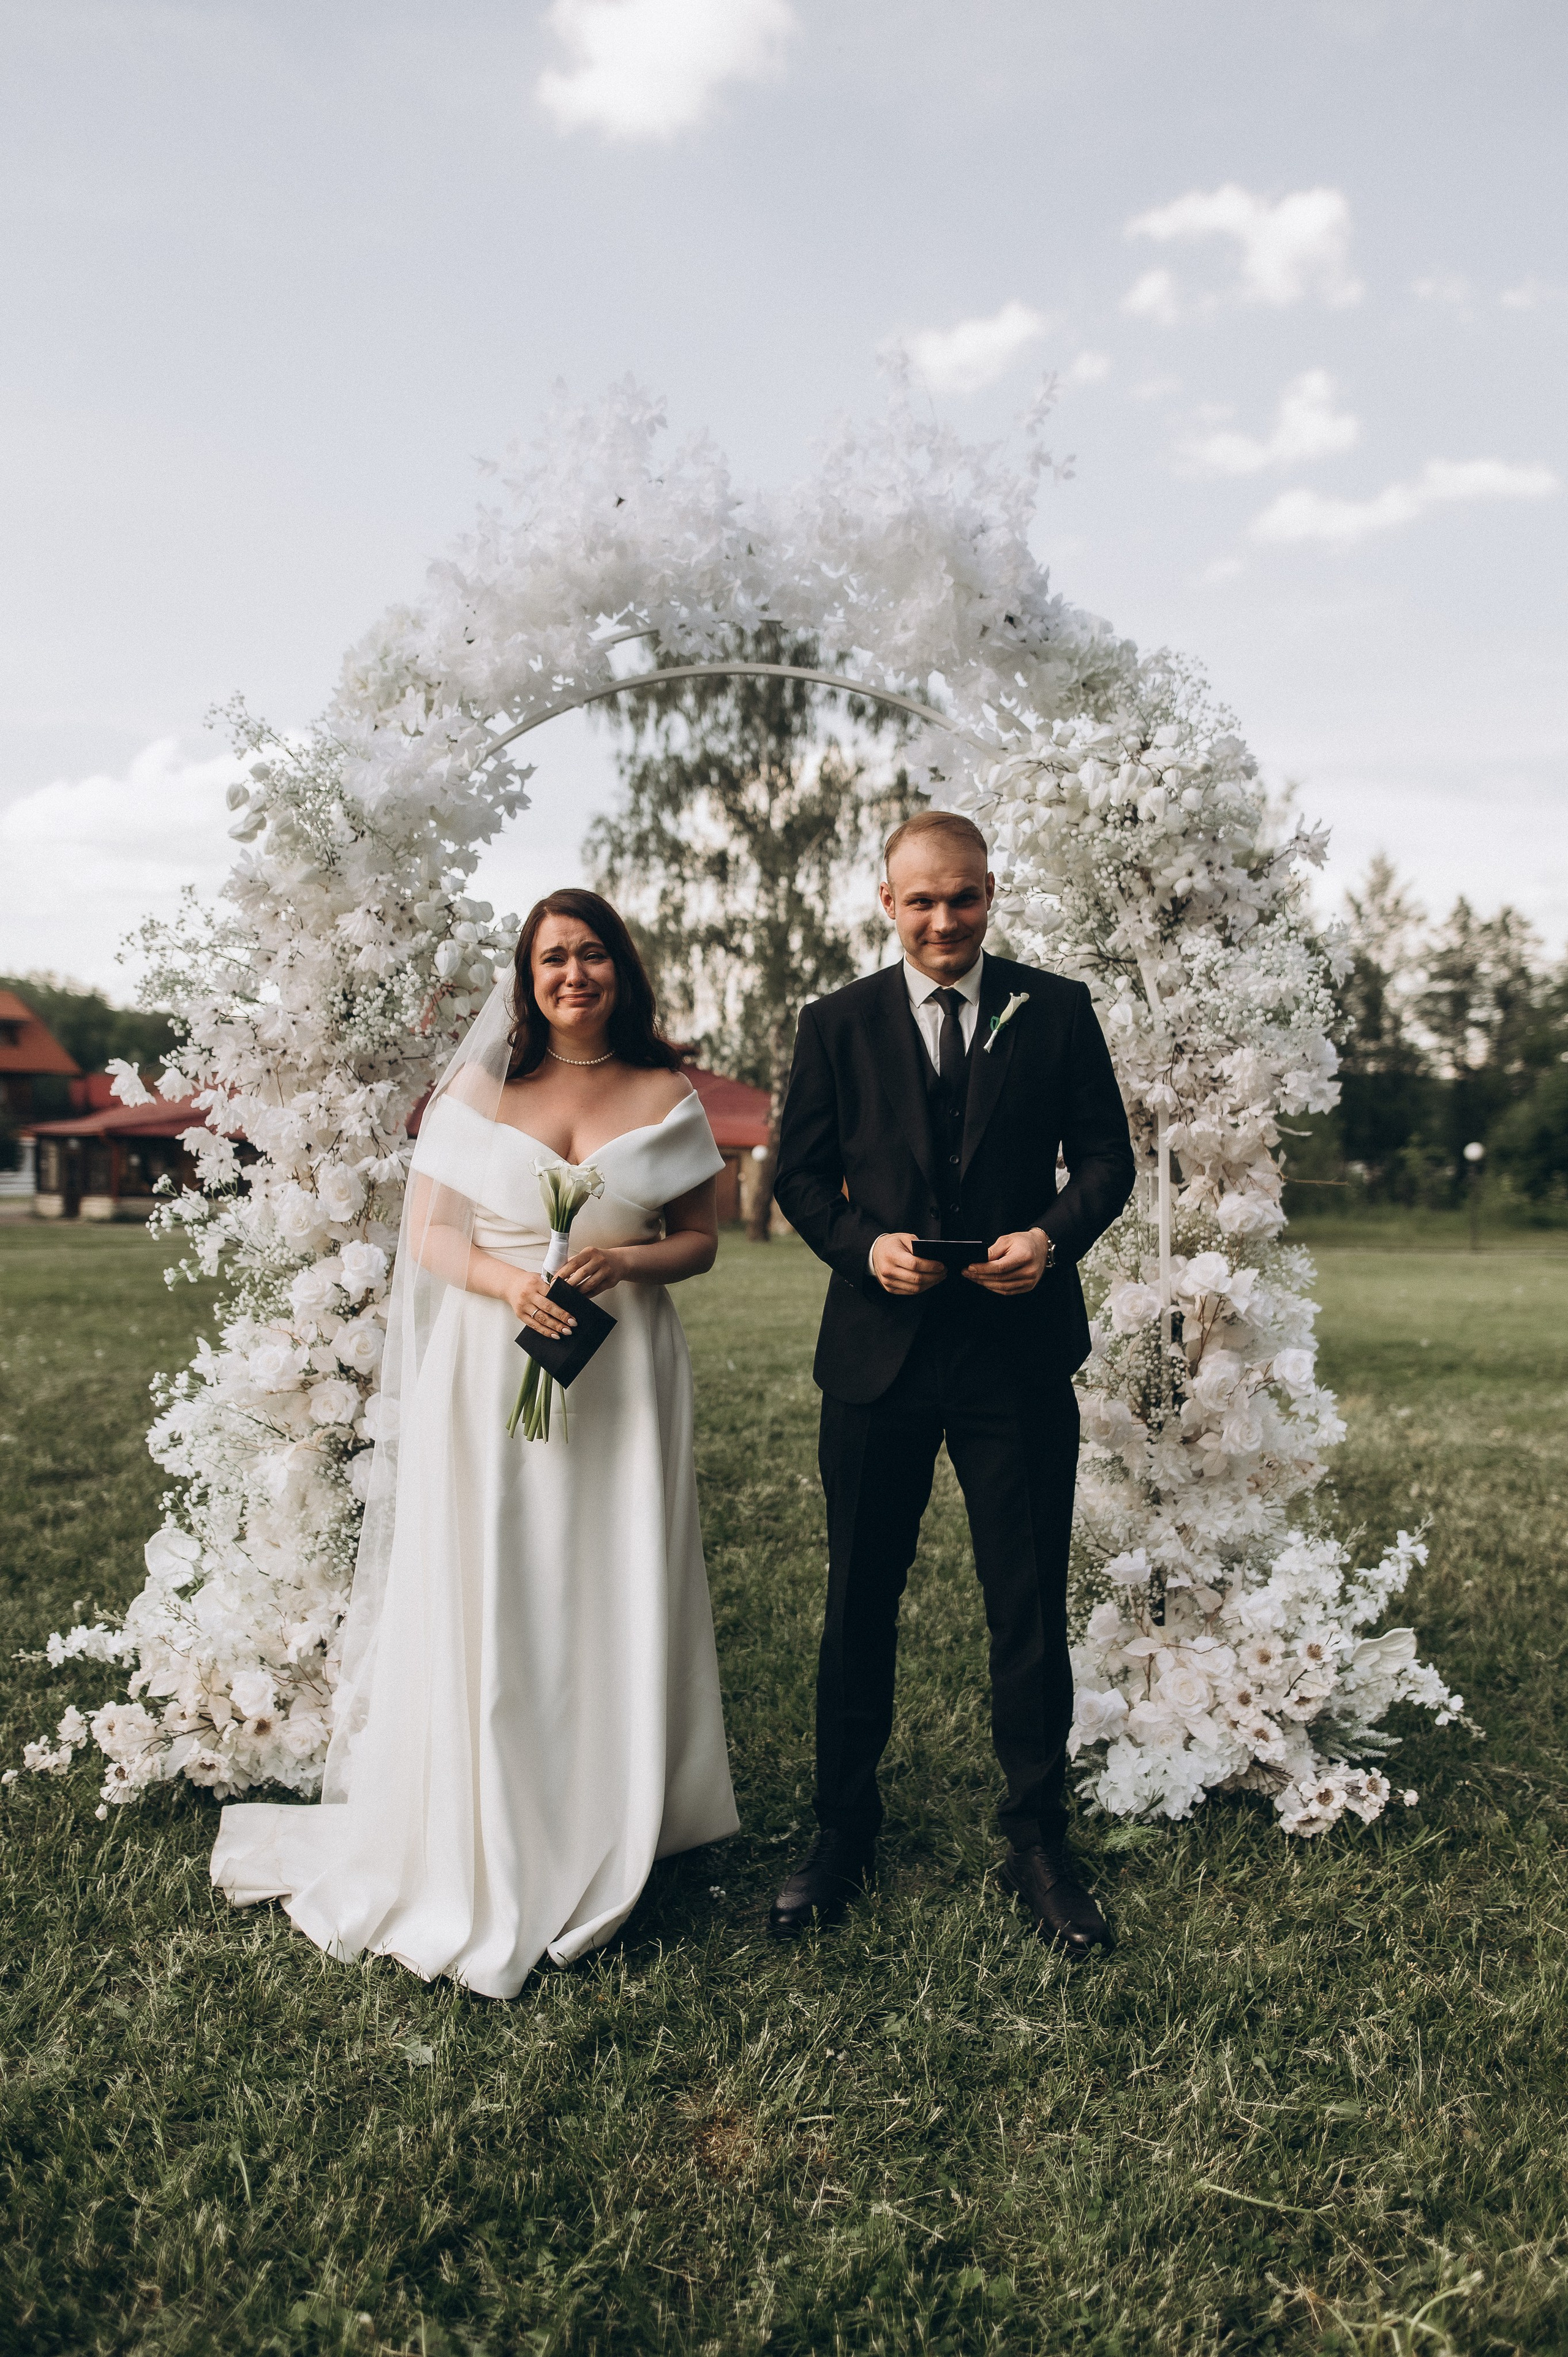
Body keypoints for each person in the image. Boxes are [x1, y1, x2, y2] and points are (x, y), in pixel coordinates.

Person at [211, 889, 739, 1997]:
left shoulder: (665, 1092)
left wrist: (624, 1265)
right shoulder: (482, 1091)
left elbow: (699, 1239)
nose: (574, 975)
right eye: (553, 958)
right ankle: (487, 1814)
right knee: (497, 1580)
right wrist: (515, 1286)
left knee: (604, 1577)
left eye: (593, 955)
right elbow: (434, 1235)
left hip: (623, 1370)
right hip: (490, 1364)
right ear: (527, 976)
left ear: (621, 971)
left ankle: (607, 1802)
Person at [769, 812, 1135, 1957]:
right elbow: (799, 1176)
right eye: (921, 901)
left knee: (1026, 1606)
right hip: (877, 1359)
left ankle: (1037, 1839)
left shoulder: (1059, 1008)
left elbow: (1109, 1161)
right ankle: (841, 1834)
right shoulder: (834, 1023)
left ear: (990, 894)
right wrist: (858, 1245)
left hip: (1016, 1358)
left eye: (963, 899)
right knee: (857, 1601)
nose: (943, 921)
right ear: (887, 902)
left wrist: (1052, 1236)